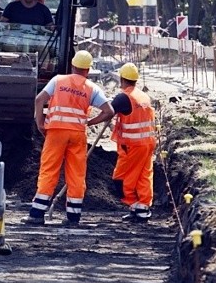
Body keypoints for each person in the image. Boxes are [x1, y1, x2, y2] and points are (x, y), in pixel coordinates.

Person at [25, 50, 115, 226]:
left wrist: (40, 123)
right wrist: (88, 122)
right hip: (77, 134)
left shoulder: (58, 80)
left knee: (49, 170)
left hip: (56, 132)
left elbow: (38, 100)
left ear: (72, 65)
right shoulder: (92, 88)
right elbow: (109, 111)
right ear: (87, 70)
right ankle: (73, 217)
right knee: (76, 174)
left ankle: (37, 214)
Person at [110, 63, 156, 223]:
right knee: (143, 175)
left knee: (120, 179)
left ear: (122, 79)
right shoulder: (143, 96)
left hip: (132, 145)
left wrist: (90, 122)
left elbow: (109, 111)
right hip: (148, 143)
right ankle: (142, 209)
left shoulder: (124, 97)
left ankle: (134, 204)